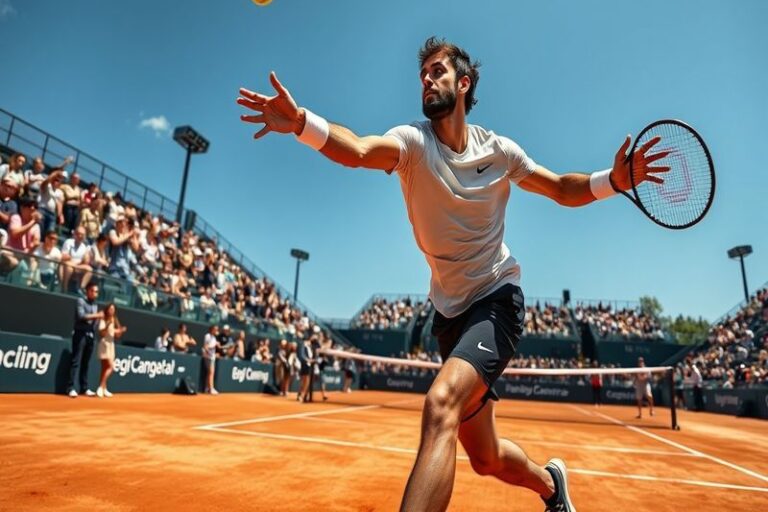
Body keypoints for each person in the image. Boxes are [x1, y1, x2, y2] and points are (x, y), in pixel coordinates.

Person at [237, 37, 669, 512]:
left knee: (440, 404)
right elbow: (358, 150)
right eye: (422, 74)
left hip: (497, 301)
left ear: (463, 84)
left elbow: (560, 189)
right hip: (449, 314)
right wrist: (301, 123)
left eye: (437, 71)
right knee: (484, 458)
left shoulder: (499, 151)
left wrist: (614, 181)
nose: (427, 79)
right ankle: (551, 486)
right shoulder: (412, 143)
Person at [67, 282, 103, 398]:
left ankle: (84, 388)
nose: (94, 293)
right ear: (87, 291)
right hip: (80, 334)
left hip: (90, 336)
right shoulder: (80, 301)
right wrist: (97, 316)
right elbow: (81, 316)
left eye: (96, 291)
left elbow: (94, 322)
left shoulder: (95, 305)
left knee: (85, 363)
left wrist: (96, 323)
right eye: (92, 291)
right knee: (75, 361)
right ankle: (70, 388)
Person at [96, 302, 127, 398]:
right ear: (107, 310)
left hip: (111, 345)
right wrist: (107, 325)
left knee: (105, 368)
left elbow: (116, 335)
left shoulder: (114, 319)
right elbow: (102, 333)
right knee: (111, 367)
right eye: (110, 309)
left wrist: (120, 331)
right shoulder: (103, 319)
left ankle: (104, 389)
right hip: (104, 344)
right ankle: (101, 387)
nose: (112, 311)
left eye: (113, 309)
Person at [202, 325, 220, 394]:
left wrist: (217, 345)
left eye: (217, 329)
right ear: (211, 329)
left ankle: (207, 388)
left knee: (210, 373)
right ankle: (211, 389)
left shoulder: (214, 338)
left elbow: (213, 347)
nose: (216, 331)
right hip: (208, 357)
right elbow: (205, 347)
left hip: (212, 356)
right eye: (215, 329)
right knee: (211, 372)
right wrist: (212, 347)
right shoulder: (208, 336)